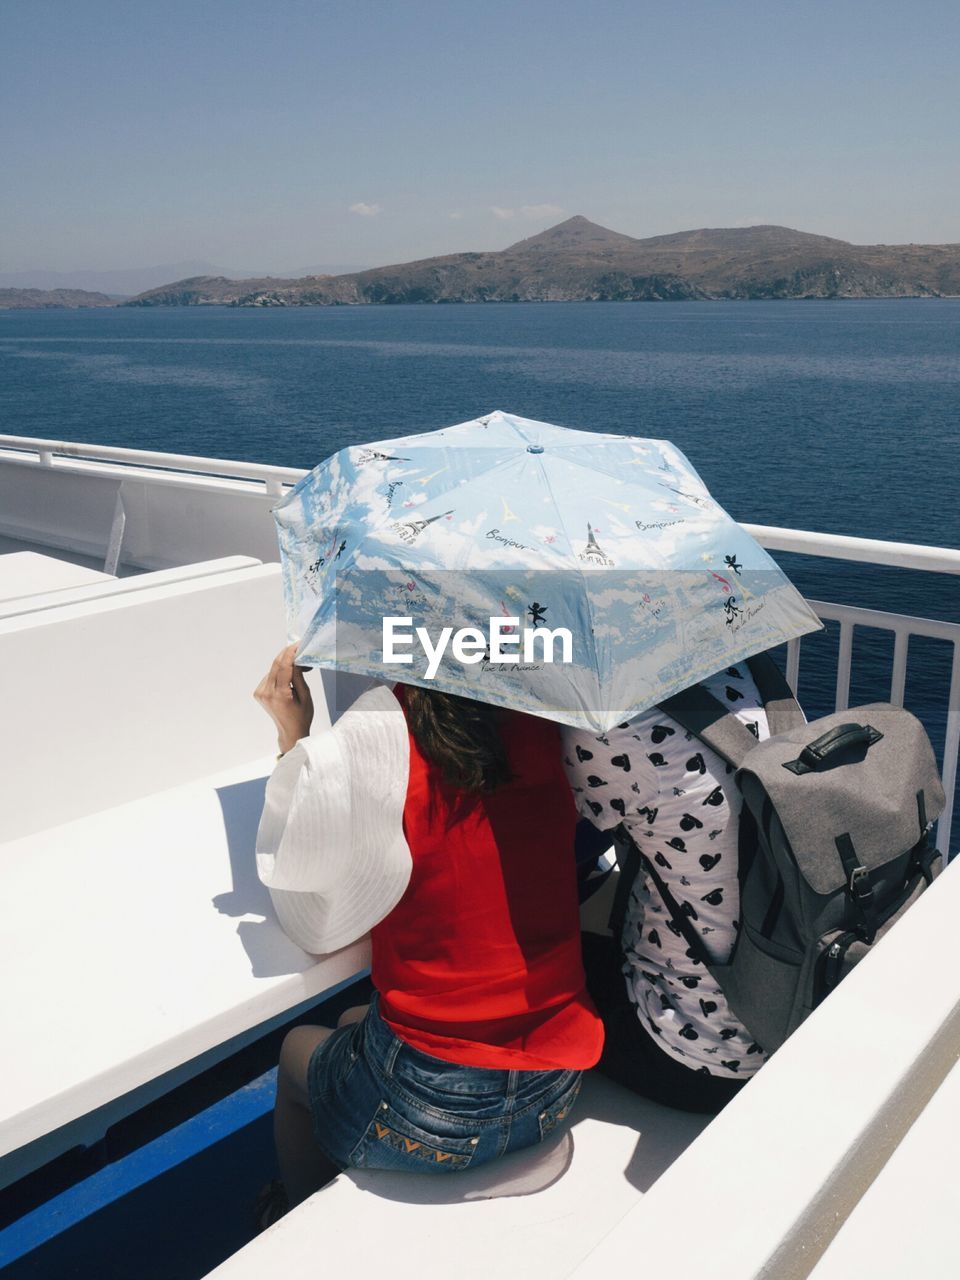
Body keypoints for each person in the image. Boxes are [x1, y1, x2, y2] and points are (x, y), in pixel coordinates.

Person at [253, 645, 603, 1213]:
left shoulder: (380, 729)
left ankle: (288, 1206)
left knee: (297, 1051)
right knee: (353, 1020)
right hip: (555, 1086)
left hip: (427, 1115)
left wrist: (296, 734)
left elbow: (303, 853)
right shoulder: (544, 719)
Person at [563, 661, 772, 1114]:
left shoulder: (611, 723)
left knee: (528, 966)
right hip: (783, 1016)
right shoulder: (751, 677)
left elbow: (553, 840)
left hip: (690, 1053)